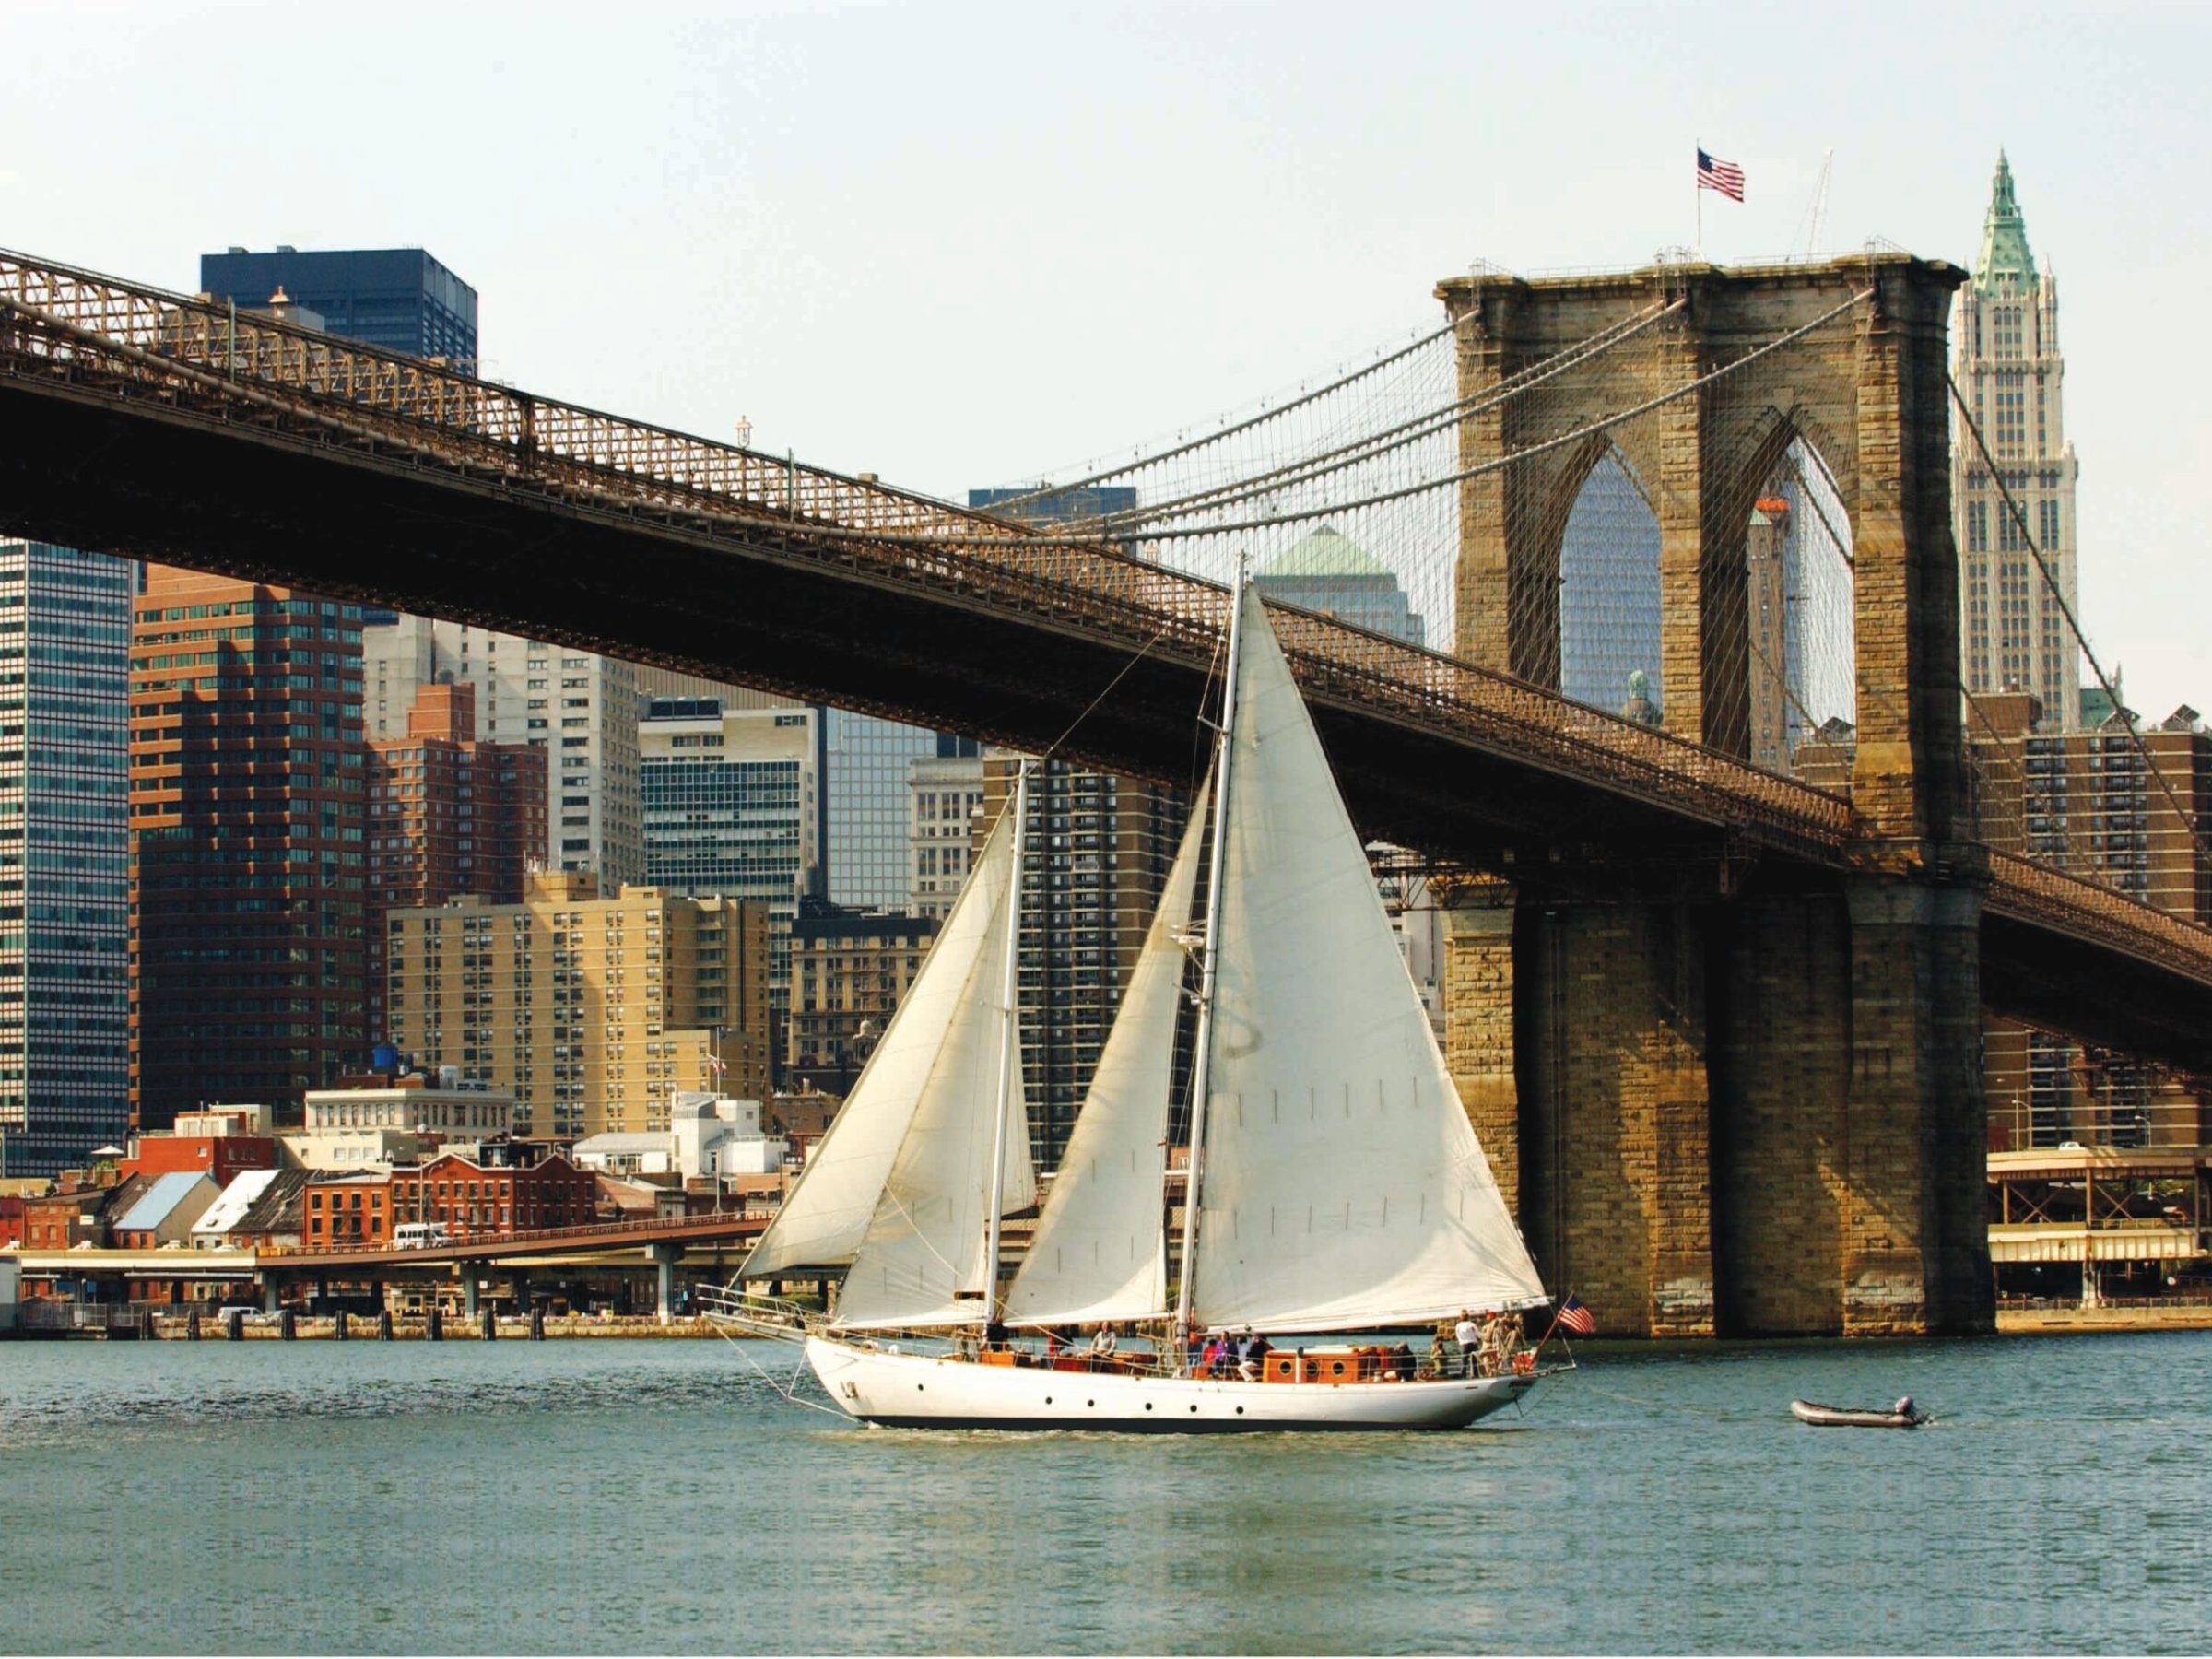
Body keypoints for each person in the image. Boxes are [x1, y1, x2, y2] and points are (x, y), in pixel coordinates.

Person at [1454, 1309, 1481, 1378]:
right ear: (1468, 1317)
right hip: (1473, 1344)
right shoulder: (1472, 1324)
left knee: (1464, 1361)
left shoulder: (1458, 1326)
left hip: (1464, 1345)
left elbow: (1458, 1335)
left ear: (1461, 1317)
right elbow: (1477, 1334)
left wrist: (1461, 1341)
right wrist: (1479, 1338)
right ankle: (1475, 1375)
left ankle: (1463, 1376)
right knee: (1474, 1361)